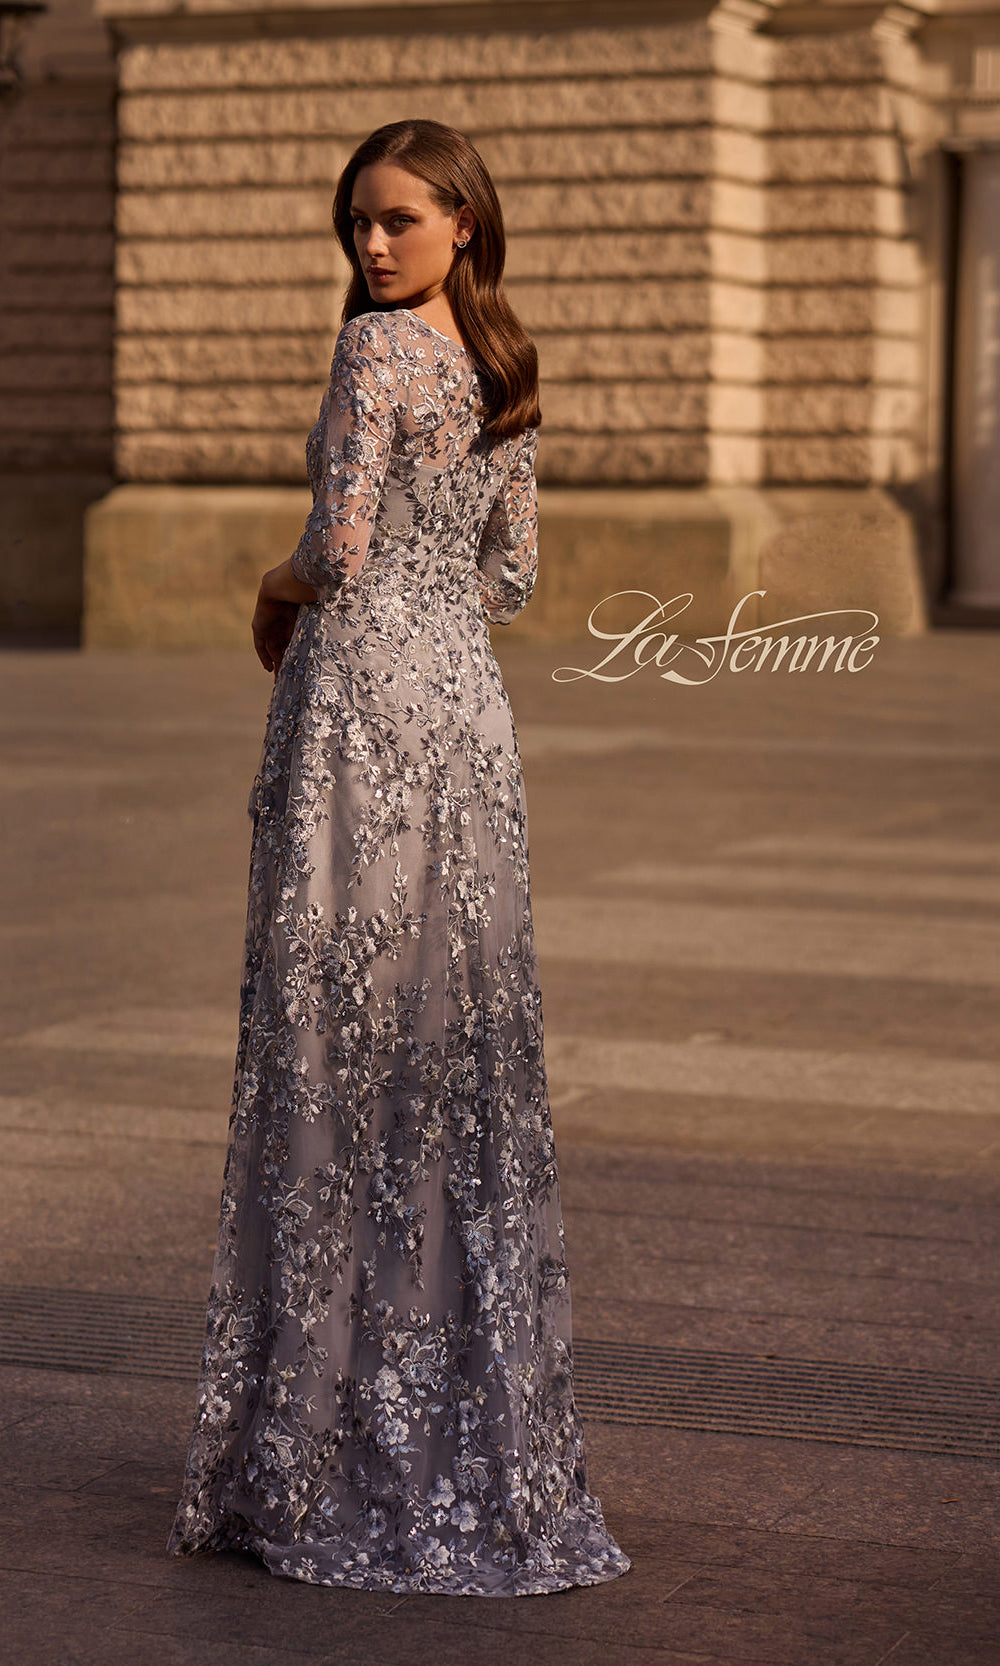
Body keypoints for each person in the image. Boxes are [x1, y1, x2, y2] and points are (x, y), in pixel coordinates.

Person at [166, 117, 631, 1598]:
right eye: (358, 223)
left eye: (399, 222)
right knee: (451, 1055)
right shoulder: (505, 372)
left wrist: (273, 578)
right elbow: (513, 574)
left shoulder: (376, 357)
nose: (371, 248)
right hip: (464, 723)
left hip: (361, 708)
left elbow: (343, 544)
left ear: (465, 225)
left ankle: (315, 1445)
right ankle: (455, 1430)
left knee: (331, 1042)